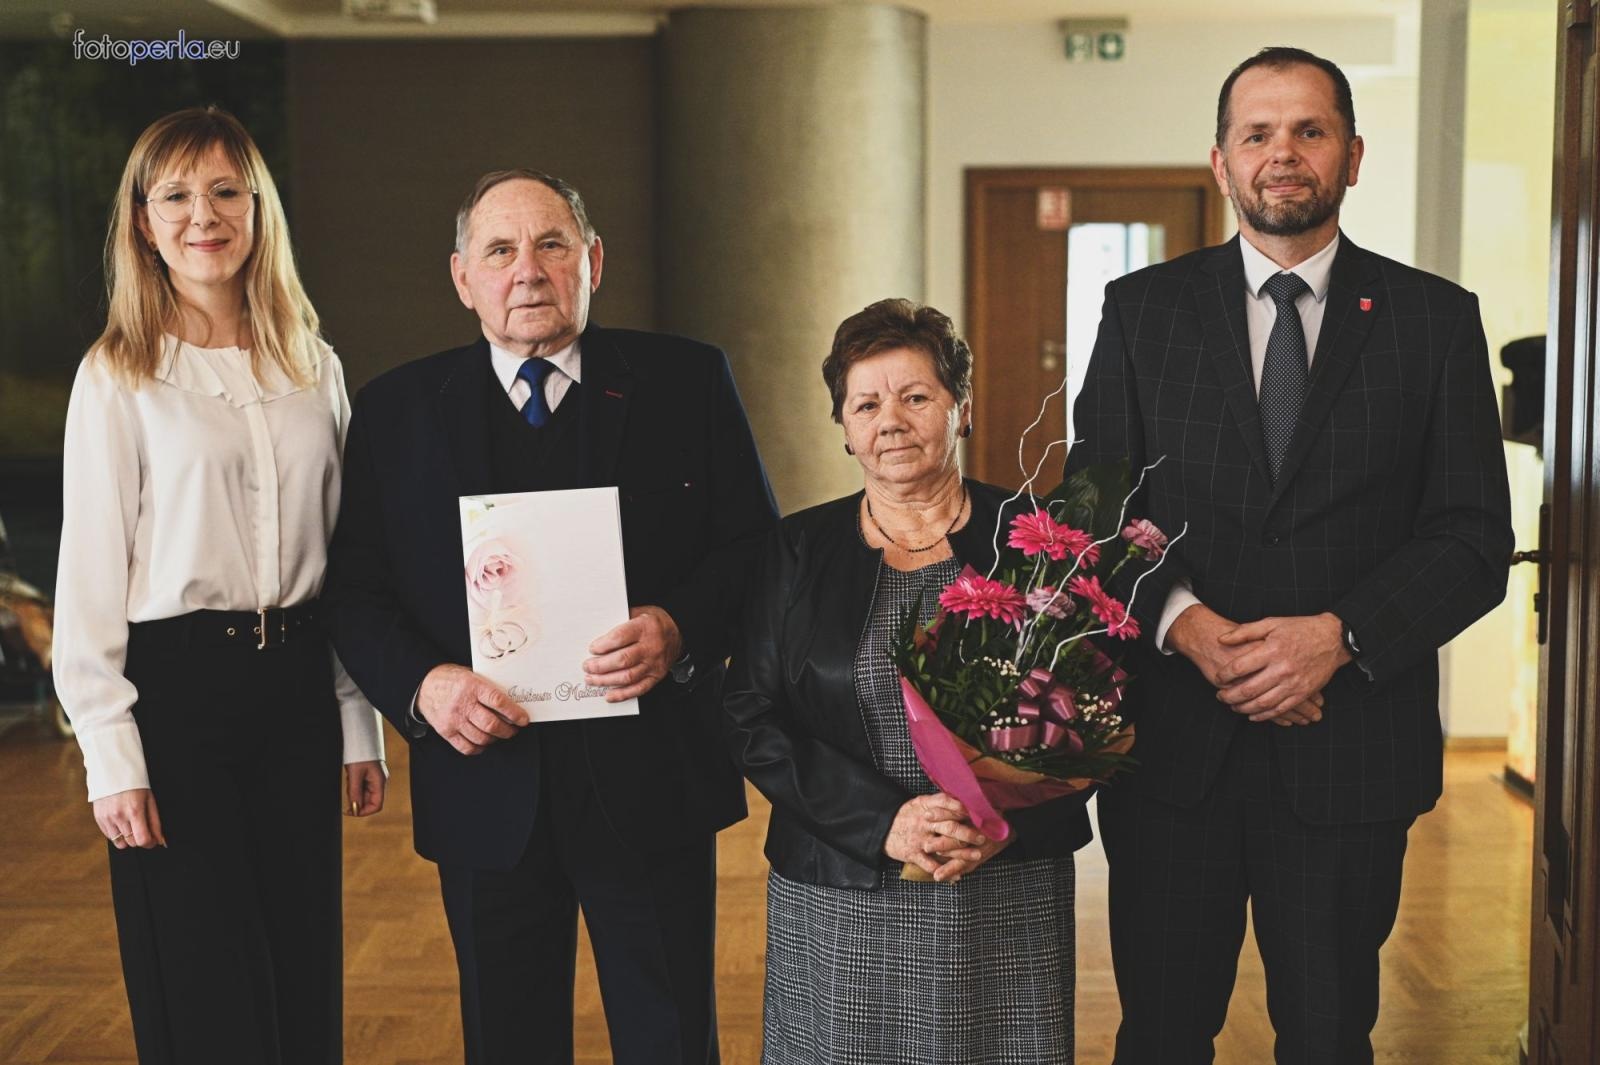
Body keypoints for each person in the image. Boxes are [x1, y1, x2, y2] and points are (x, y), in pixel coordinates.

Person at [1064, 47, 1514, 1064]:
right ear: (1218, 162)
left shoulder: (1433, 323)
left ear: (1352, 156)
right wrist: (1183, 624)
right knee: (1163, 1033)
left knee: (1325, 1034)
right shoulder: (1144, 313)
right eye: (1256, 134)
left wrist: (1338, 637)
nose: (1282, 154)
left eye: (1308, 131)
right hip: (1175, 750)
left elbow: (1473, 535)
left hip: (1348, 752)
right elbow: (1093, 511)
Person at [322, 168, 777, 1065]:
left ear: (592, 261)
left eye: (551, 244)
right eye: (499, 250)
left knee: (672, 1033)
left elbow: (755, 551)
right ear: (463, 277)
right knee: (508, 1037)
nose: (526, 270)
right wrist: (423, 686)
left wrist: (680, 627)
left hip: (649, 775)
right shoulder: (394, 411)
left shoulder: (688, 380)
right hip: (484, 778)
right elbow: (353, 588)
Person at [51, 106, 386, 1065]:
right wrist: (111, 754)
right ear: (144, 224)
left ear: (258, 209)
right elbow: (88, 577)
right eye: (177, 195)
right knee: (201, 979)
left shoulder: (314, 365)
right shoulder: (117, 375)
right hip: (177, 699)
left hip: (295, 694)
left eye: (226, 190)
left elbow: (346, 552)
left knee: (300, 970)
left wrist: (354, 720)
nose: (205, 214)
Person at [723, 298, 1092, 1065]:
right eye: (866, 403)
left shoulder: (1034, 538)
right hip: (842, 883)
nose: (890, 420)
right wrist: (881, 823)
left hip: (1002, 882)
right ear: (845, 427)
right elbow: (751, 714)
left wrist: (999, 819)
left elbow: (1092, 709)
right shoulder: (795, 550)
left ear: (958, 409)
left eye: (915, 396)